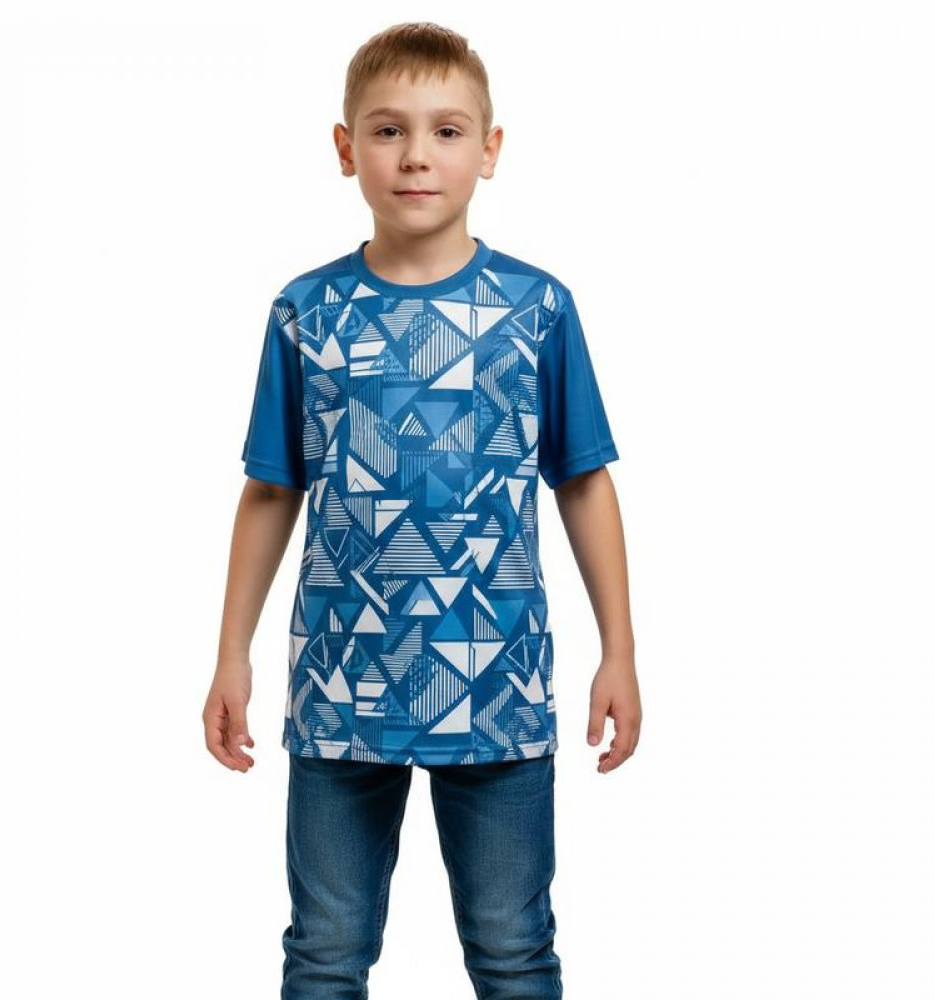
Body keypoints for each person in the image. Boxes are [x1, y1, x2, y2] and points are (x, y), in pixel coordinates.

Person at [202, 20, 641, 1000]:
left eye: (446, 130)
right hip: (338, 692)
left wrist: (620, 649)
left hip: (497, 689)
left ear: (489, 149)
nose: (415, 155)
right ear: (345, 146)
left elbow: (583, 479)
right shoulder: (306, 313)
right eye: (388, 129)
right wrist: (231, 653)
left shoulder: (536, 310)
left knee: (513, 953)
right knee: (324, 954)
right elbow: (271, 488)